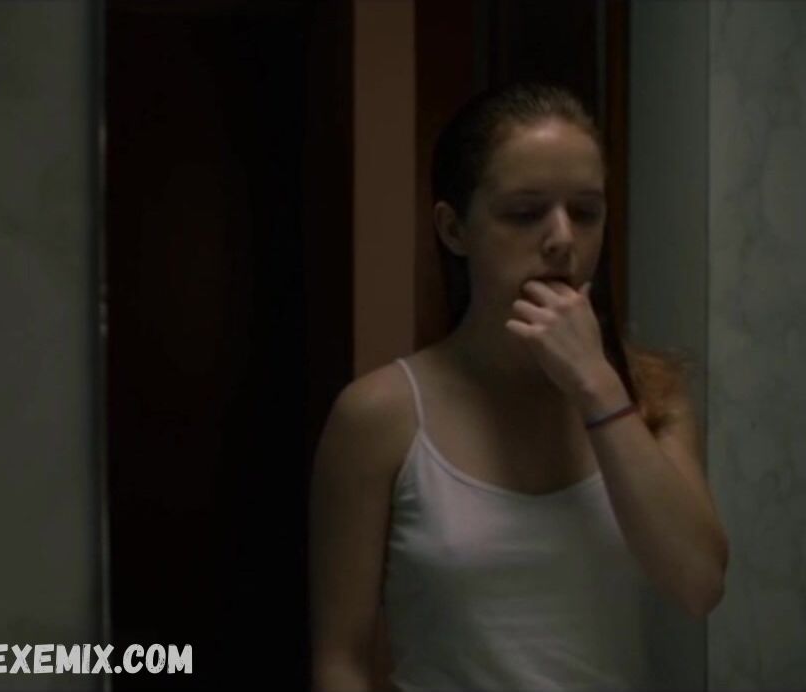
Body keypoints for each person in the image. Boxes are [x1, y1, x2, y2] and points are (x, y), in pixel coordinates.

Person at [308, 82, 729, 692]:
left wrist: (597, 389)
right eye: (525, 213)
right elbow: (340, 660)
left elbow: (699, 586)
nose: (562, 239)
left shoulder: (652, 398)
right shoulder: (379, 416)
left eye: (586, 212)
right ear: (454, 229)